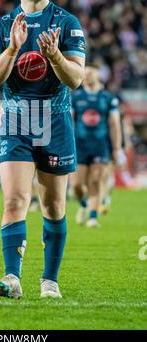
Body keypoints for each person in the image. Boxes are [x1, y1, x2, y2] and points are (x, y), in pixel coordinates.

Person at [0, 0, 85, 298]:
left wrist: (56, 56)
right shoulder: (2, 27)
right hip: (17, 121)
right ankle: (12, 278)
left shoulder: (68, 23)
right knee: (14, 201)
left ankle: (50, 281)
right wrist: (12, 49)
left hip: (55, 121)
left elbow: (76, 79)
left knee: (54, 206)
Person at [71, 66, 123, 227]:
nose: (87, 77)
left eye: (90, 73)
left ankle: (93, 217)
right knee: (77, 185)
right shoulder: (75, 96)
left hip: (101, 145)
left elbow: (114, 124)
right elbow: (69, 121)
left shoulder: (108, 98)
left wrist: (116, 148)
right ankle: (84, 205)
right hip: (79, 145)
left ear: (98, 75)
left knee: (95, 181)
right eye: (84, 74)